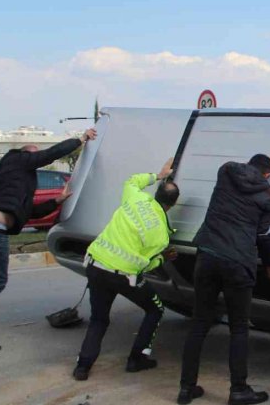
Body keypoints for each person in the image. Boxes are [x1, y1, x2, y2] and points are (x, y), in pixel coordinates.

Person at [0, 129, 96, 353]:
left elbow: (27, 212)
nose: (37, 154)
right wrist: (80, 139)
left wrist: (56, 201)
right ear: (25, 153)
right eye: (34, 151)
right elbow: (50, 154)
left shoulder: (14, 179)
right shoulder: (17, 159)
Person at [178, 150, 270, 405]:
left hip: (207, 256)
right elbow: (262, 235)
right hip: (238, 262)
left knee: (199, 323)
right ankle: (238, 390)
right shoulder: (269, 196)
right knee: (239, 328)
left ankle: (186, 388)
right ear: (269, 175)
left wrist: (265, 164)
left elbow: (247, 170)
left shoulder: (226, 171)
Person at [72, 159, 180, 381]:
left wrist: (158, 174)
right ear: (173, 204)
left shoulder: (135, 197)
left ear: (157, 192)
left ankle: (83, 366)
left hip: (96, 264)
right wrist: (163, 259)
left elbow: (133, 180)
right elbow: (146, 264)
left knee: (99, 319)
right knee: (155, 309)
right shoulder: (161, 235)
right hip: (123, 276)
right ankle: (137, 359)